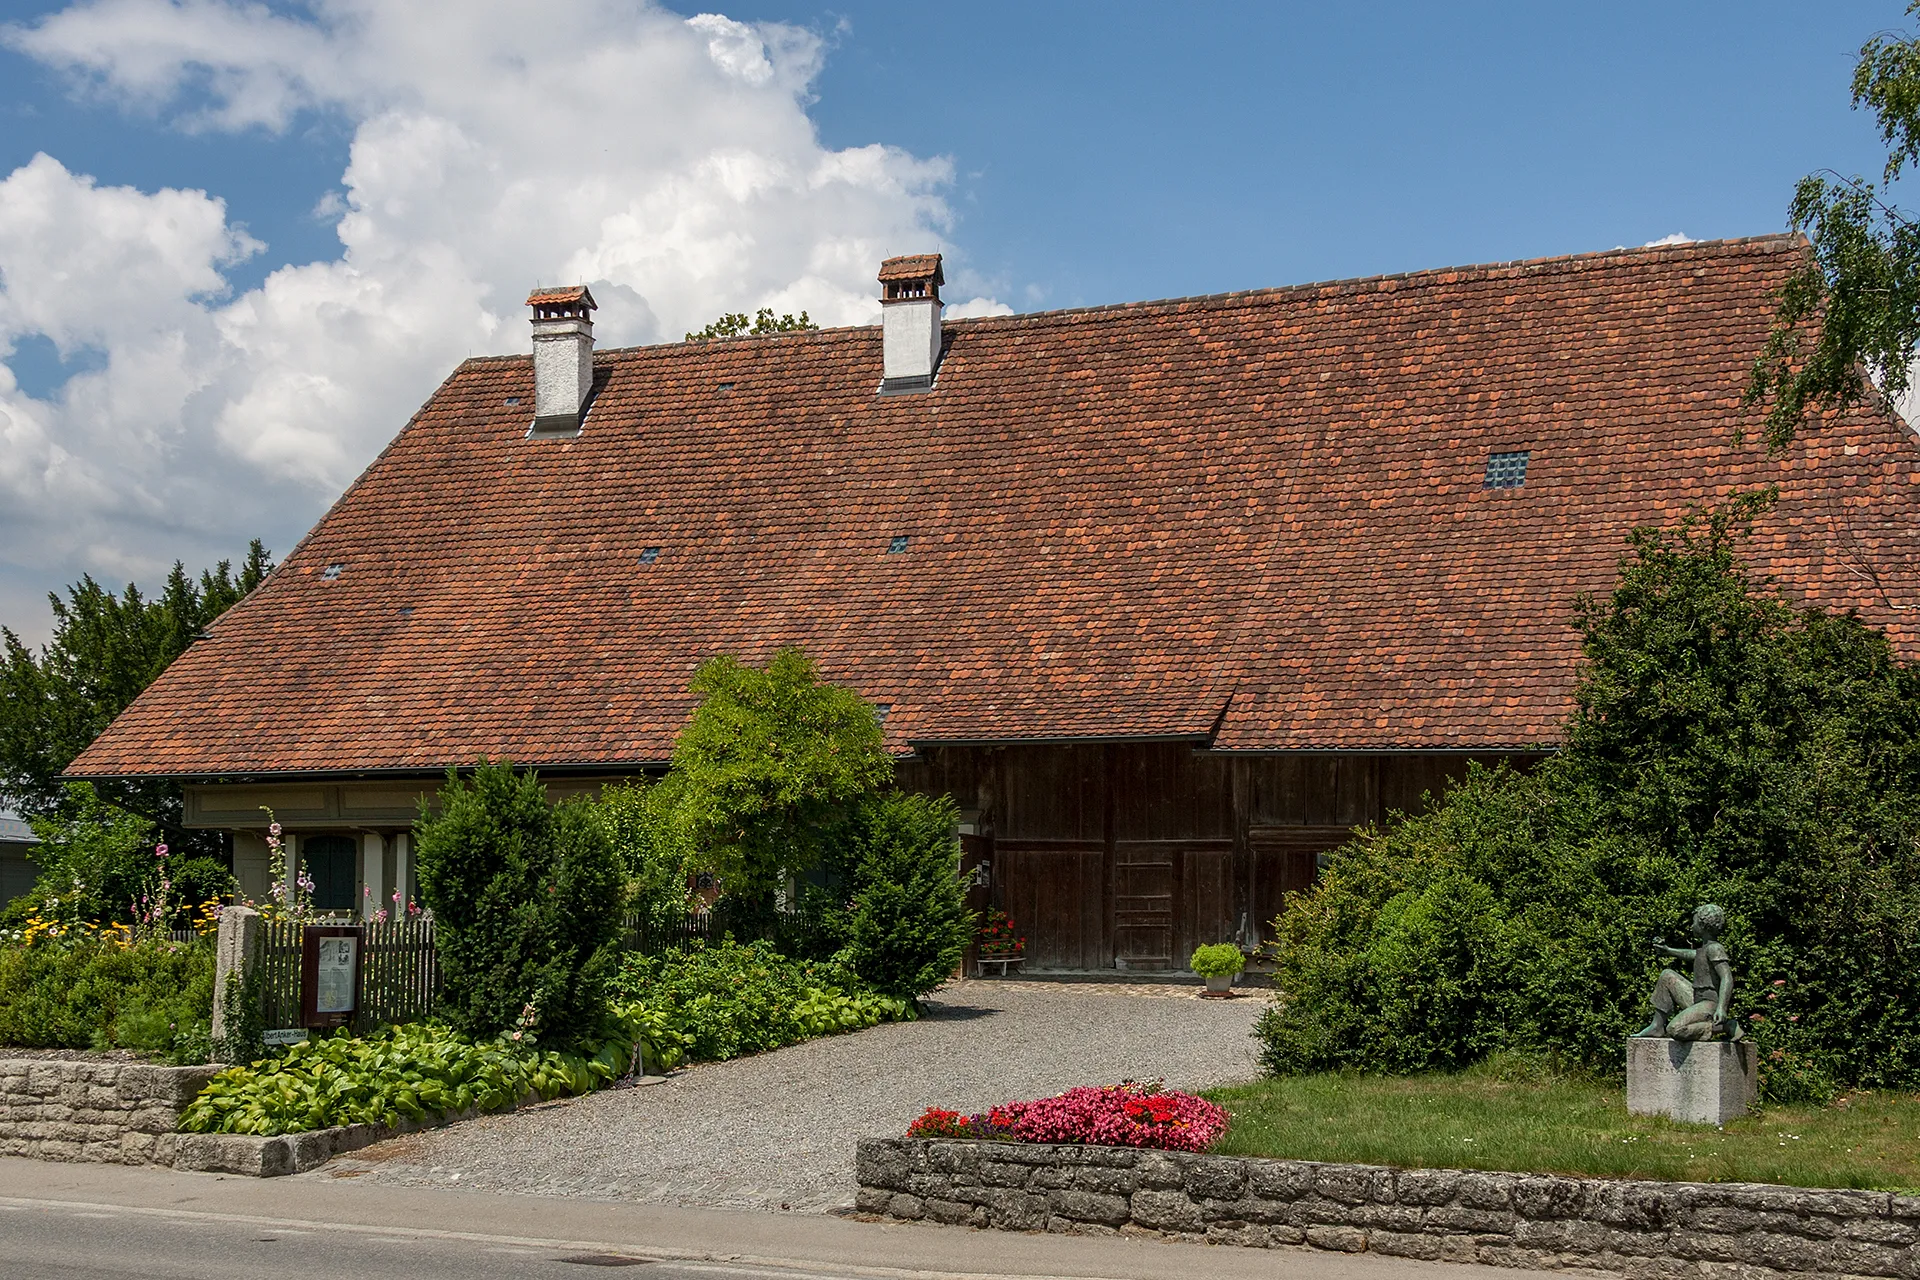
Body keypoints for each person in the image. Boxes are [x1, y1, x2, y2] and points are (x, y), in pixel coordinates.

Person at [1632, 903, 1740, 1042]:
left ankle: (1723, 1027)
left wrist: (1722, 1008)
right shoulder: (1705, 948)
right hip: (1697, 999)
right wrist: (1668, 950)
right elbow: (1692, 955)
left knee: (1675, 1029)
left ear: (1703, 925)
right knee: (1667, 975)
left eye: (1694, 922)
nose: (1691, 926)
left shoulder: (1715, 948)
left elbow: (1727, 977)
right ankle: (1657, 1026)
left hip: (1710, 1004)